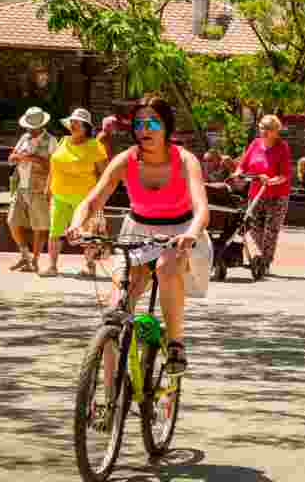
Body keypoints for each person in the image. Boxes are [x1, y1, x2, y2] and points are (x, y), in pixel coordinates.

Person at [67, 95, 211, 376]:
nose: (146, 129)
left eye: (154, 122)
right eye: (140, 123)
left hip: (180, 233)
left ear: (167, 127)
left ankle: (175, 344)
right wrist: (77, 224)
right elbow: (92, 201)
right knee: (114, 312)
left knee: (167, 268)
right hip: (138, 233)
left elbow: (201, 209)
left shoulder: (184, 160)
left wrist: (191, 234)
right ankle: (108, 403)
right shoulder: (125, 160)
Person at [42, 108, 108, 278]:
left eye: (77, 122)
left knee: (87, 233)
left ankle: (89, 266)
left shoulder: (95, 145)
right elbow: (53, 166)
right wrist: (48, 187)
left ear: (86, 127)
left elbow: (105, 174)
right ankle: (52, 266)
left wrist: (100, 197)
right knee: (55, 232)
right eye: (72, 122)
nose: (73, 125)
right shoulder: (63, 141)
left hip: (85, 198)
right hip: (59, 194)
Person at [231, 114, 292, 273]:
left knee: (271, 230)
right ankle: (261, 258)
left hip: (277, 195)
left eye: (267, 129)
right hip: (256, 193)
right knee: (254, 227)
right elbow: (243, 166)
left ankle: (264, 262)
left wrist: (271, 181)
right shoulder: (255, 144)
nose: (263, 131)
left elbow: (285, 175)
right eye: (261, 128)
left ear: (275, 131)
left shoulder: (282, 147)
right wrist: (238, 175)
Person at [7, 107, 57, 273]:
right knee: (12, 221)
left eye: (32, 126)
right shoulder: (24, 137)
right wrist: (17, 157)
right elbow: (11, 158)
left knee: (39, 226)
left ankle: (34, 261)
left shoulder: (51, 141)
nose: (29, 129)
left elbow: (54, 166)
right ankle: (25, 255)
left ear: (40, 125)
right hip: (21, 186)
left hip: (39, 188)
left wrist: (33, 158)